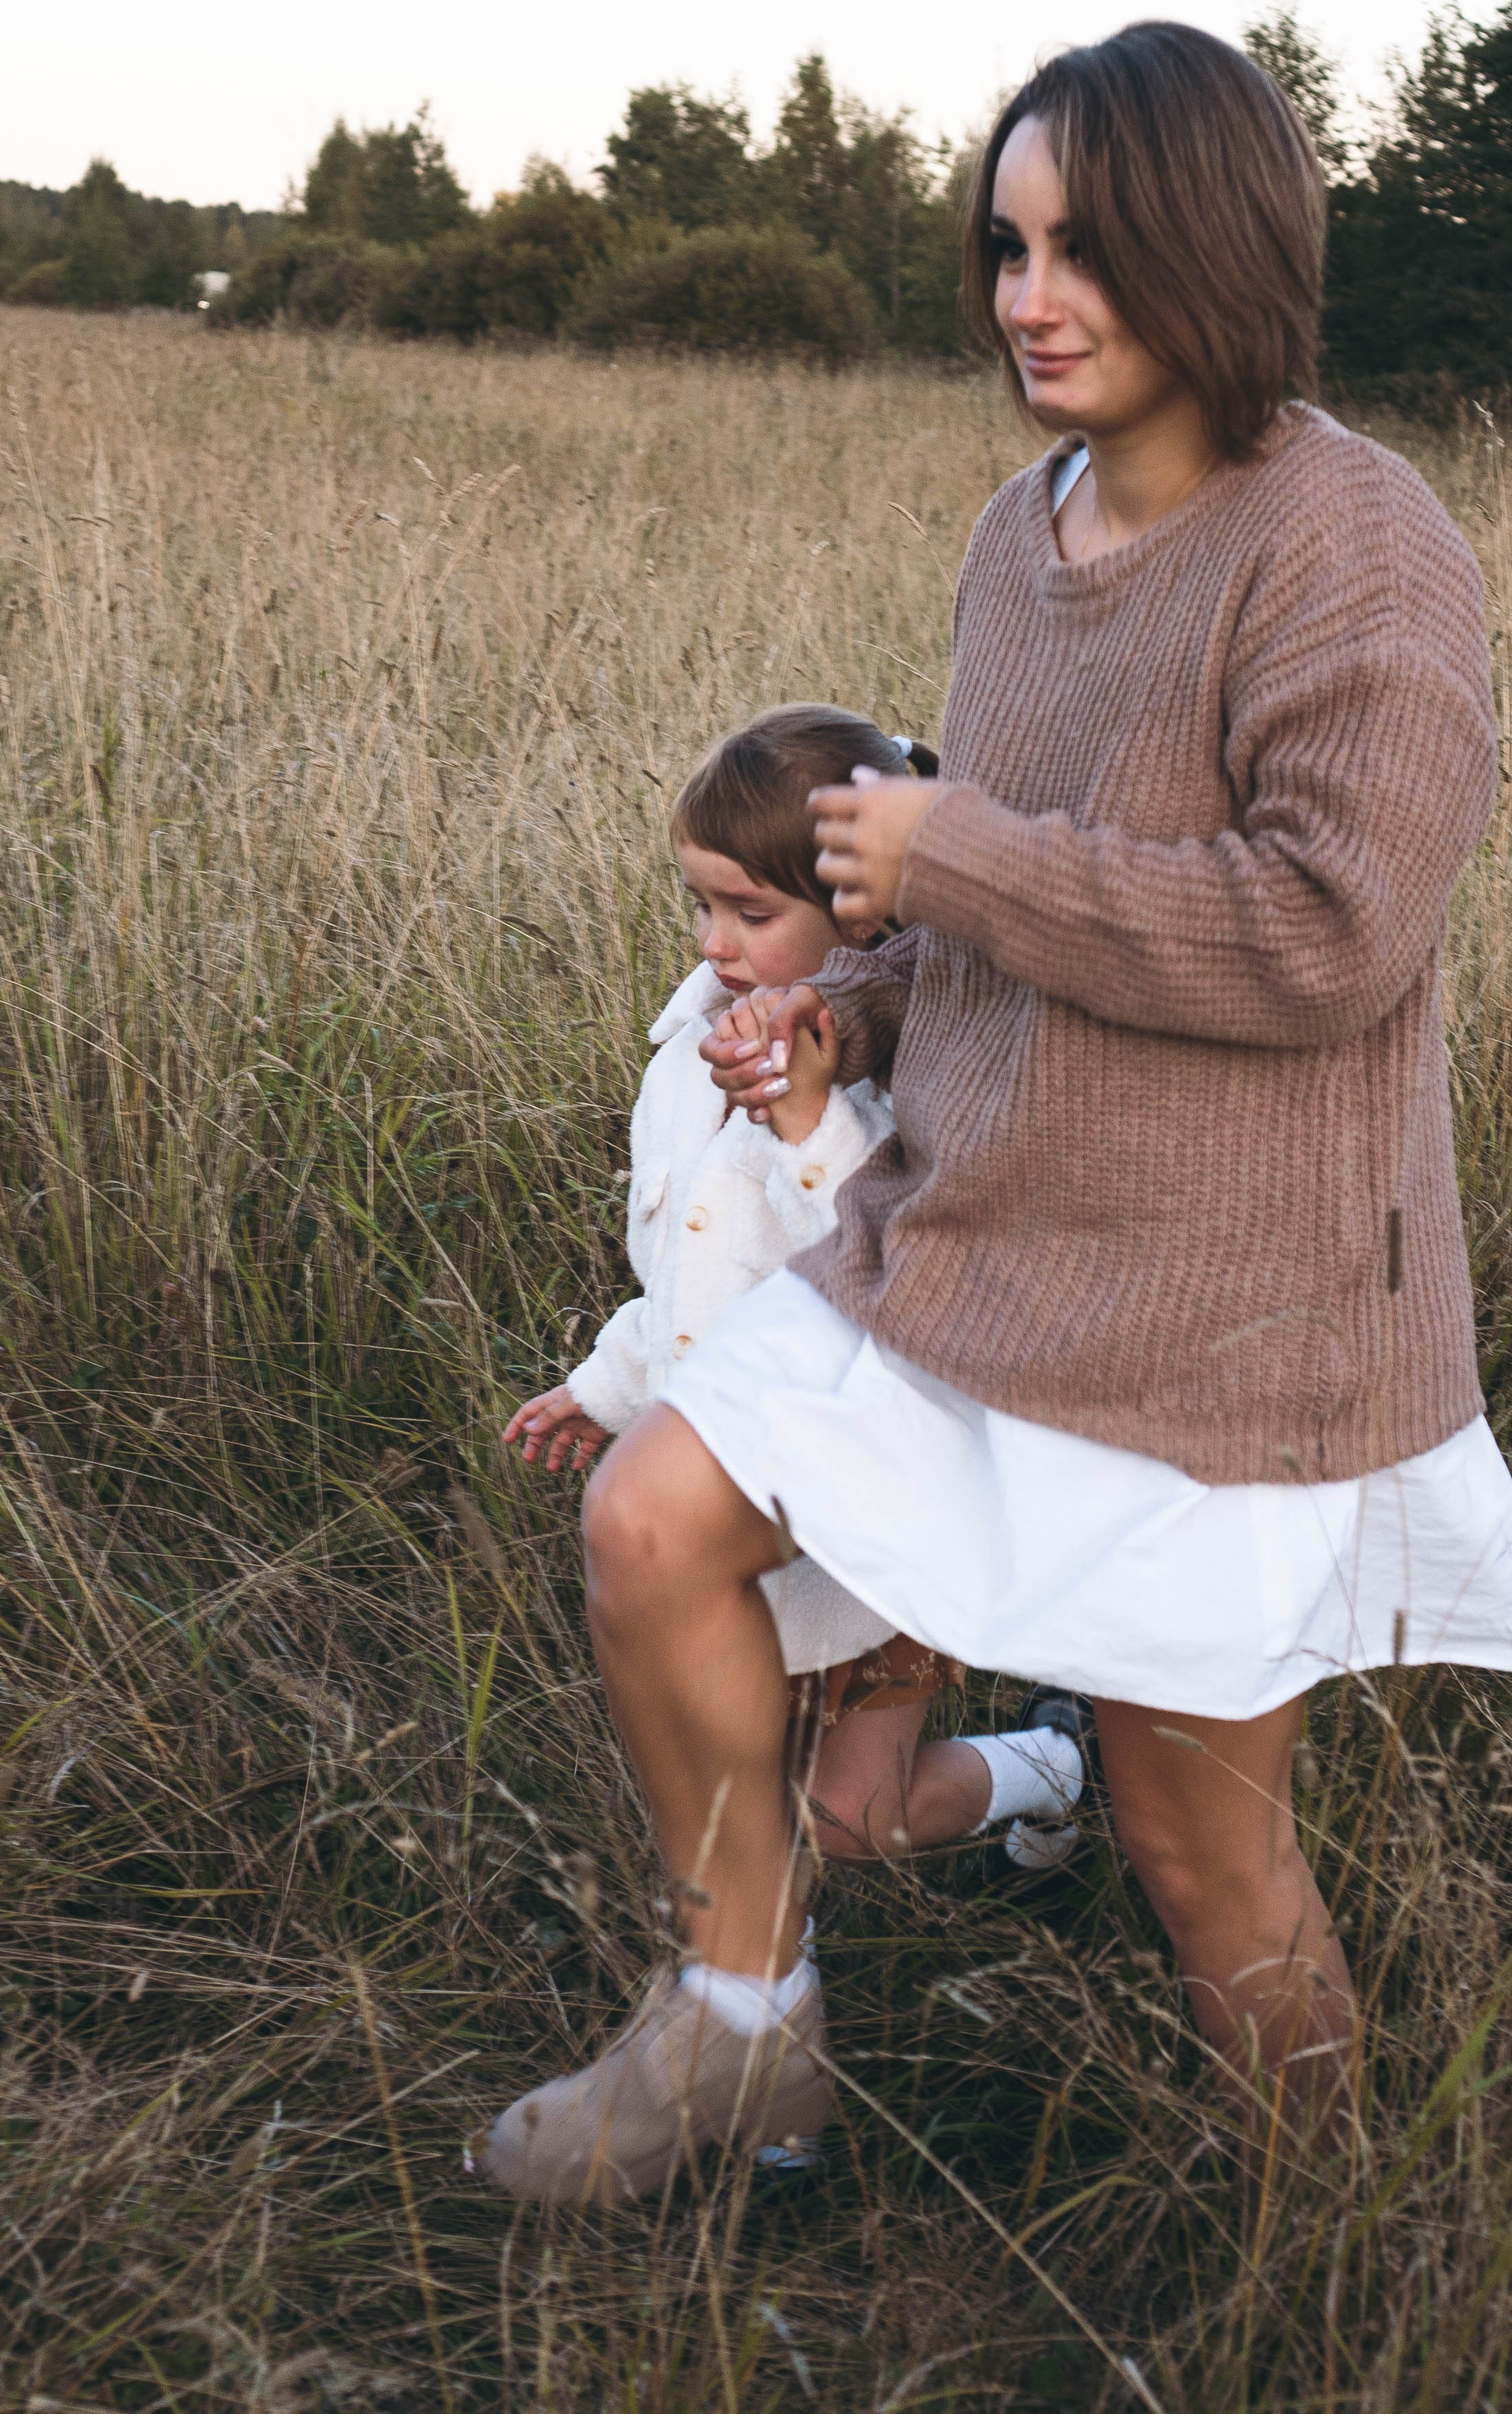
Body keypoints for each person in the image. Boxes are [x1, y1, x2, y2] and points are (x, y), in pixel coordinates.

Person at [469, 21, 1512, 2206]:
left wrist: (944, 860)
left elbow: (1334, 930)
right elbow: (979, 899)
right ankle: (740, 2032)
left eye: (1087, 252)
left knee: (1194, 1848)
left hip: (1226, 1327)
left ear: (1218, 253)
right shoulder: (1013, 529)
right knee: (650, 1526)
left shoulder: (1357, 545)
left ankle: (1331, 2254)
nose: (1027, 298)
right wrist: (851, 1010)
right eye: (1008, 245)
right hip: (969, 1256)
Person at [486, 707, 1086, 2192]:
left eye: (752, 912)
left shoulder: (895, 1073)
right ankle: (768, 2068)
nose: (716, 942)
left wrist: (814, 1116)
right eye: (699, 904)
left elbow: (875, 1263)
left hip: (851, 1549)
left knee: (850, 1816)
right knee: (735, 1792)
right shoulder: (689, 1042)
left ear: (868, 917)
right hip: (726, 1539)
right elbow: (685, 1280)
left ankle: (1053, 1766)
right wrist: (603, 1388)